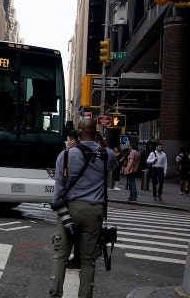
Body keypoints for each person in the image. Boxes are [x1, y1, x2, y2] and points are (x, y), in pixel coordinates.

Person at [49, 118, 118, 298]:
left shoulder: (65, 155)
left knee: (61, 255)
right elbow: (114, 164)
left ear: (78, 134)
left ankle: (55, 294)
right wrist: (102, 143)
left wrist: (60, 212)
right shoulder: (107, 154)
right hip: (94, 211)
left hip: (70, 209)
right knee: (88, 260)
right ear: (96, 134)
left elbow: (58, 190)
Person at [63, 130, 80, 269]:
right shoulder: (99, 153)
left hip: (74, 202)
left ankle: (75, 258)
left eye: (68, 139)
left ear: (73, 141)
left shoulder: (68, 154)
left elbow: (62, 179)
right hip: (94, 204)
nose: (67, 142)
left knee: (70, 235)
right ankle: (79, 258)